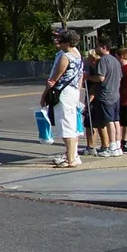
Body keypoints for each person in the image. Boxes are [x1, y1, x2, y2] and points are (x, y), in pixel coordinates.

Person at [45, 29, 85, 168]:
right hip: (73, 91)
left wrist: (45, 93)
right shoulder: (78, 55)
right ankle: (73, 156)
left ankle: (71, 159)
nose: (58, 42)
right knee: (72, 125)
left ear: (67, 42)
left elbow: (54, 79)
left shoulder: (65, 57)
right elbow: (80, 76)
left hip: (64, 94)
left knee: (66, 126)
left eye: (60, 40)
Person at [85, 42, 122, 157]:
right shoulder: (115, 61)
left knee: (107, 122)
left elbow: (100, 78)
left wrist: (88, 77)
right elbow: (119, 78)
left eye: (97, 46)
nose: (96, 48)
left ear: (103, 47)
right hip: (115, 95)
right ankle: (117, 145)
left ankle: (111, 147)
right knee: (115, 121)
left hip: (106, 95)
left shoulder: (103, 60)